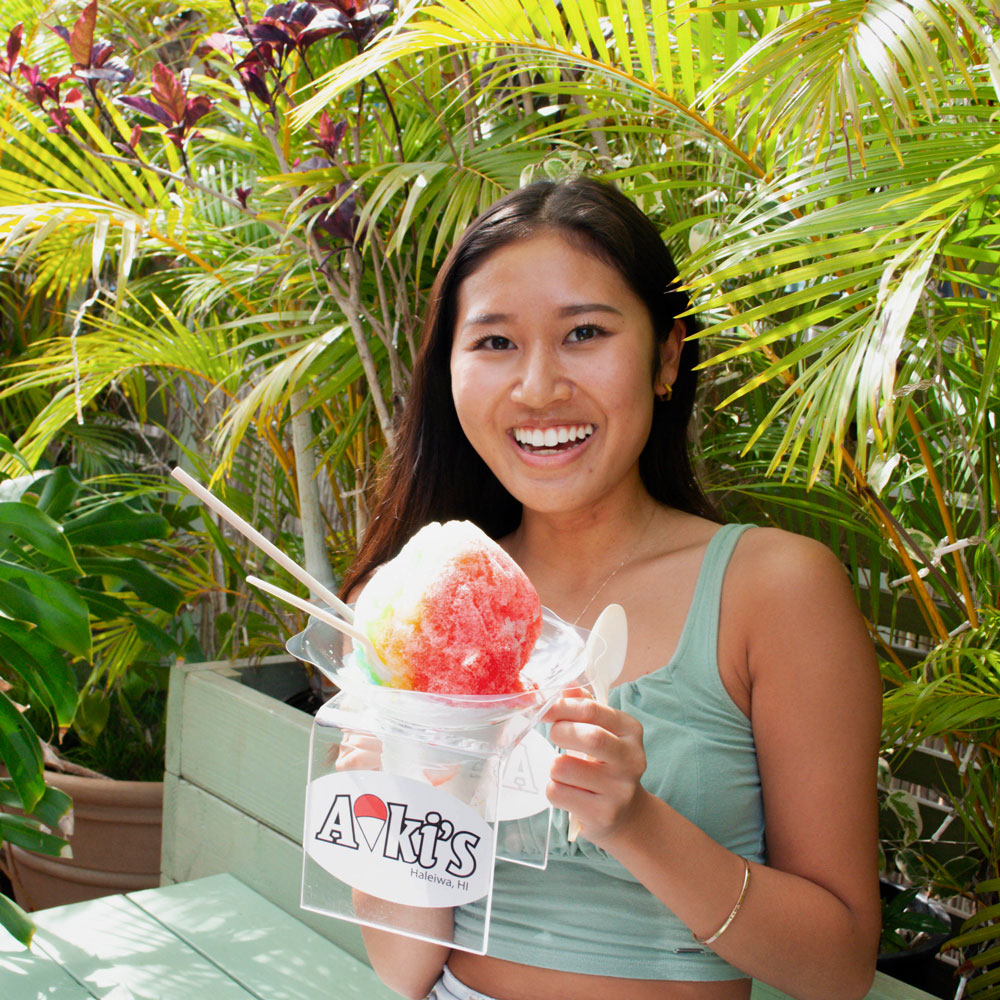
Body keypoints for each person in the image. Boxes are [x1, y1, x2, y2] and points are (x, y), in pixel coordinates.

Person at [340, 177, 882, 1000]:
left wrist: (634, 822)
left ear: (667, 356)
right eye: (494, 342)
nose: (537, 387)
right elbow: (403, 966)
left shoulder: (773, 590)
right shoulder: (414, 604)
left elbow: (838, 968)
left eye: (584, 333)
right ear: (448, 370)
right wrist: (397, 789)